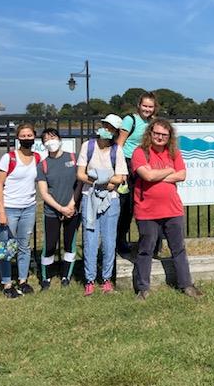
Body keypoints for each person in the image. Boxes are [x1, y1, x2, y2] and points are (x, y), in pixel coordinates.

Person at [131, 118, 203, 300]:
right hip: (147, 211)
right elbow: (147, 176)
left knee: (178, 249)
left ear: (169, 136)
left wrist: (156, 175)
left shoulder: (174, 153)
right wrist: (169, 171)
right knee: (146, 250)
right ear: (150, 133)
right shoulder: (140, 152)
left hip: (173, 210)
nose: (160, 137)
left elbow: (182, 175)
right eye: (156, 133)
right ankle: (143, 288)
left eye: (164, 134)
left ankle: (186, 285)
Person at [76, 114, 128, 296]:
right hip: (89, 197)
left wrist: (97, 178)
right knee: (90, 239)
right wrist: (105, 181)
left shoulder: (117, 150)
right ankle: (89, 279)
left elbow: (120, 178)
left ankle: (106, 278)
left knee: (109, 240)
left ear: (116, 132)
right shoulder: (88, 146)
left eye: (111, 128)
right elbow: (80, 174)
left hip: (111, 200)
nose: (107, 130)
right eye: (106, 125)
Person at [0, 123, 41, 298]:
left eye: (29, 135)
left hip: (28, 207)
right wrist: (2, 211)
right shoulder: (9, 158)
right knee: (5, 247)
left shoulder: (37, 157)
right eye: (23, 136)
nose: (27, 138)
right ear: (18, 138)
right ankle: (7, 283)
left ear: (34, 136)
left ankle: (22, 281)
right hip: (9, 208)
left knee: (24, 246)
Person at [37, 128, 81, 289]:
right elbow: (44, 193)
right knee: (49, 246)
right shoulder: (43, 165)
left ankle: (66, 277)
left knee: (70, 244)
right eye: (46, 140)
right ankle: (46, 278)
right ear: (43, 144)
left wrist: (71, 205)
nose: (51, 142)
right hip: (52, 212)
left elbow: (80, 183)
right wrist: (61, 208)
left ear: (60, 139)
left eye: (53, 137)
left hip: (72, 210)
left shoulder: (73, 158)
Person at [116, 91, 158, 253]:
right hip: (128, 164)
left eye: (150, 106)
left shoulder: (153, 122)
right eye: (144, 106)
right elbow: (119, 145)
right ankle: (120, 241)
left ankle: (148, 241)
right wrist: (120, 169)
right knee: (126, 206)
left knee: (146, 204)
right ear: (139, 105)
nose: (147, 109)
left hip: (145, 165)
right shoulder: (130, 120)